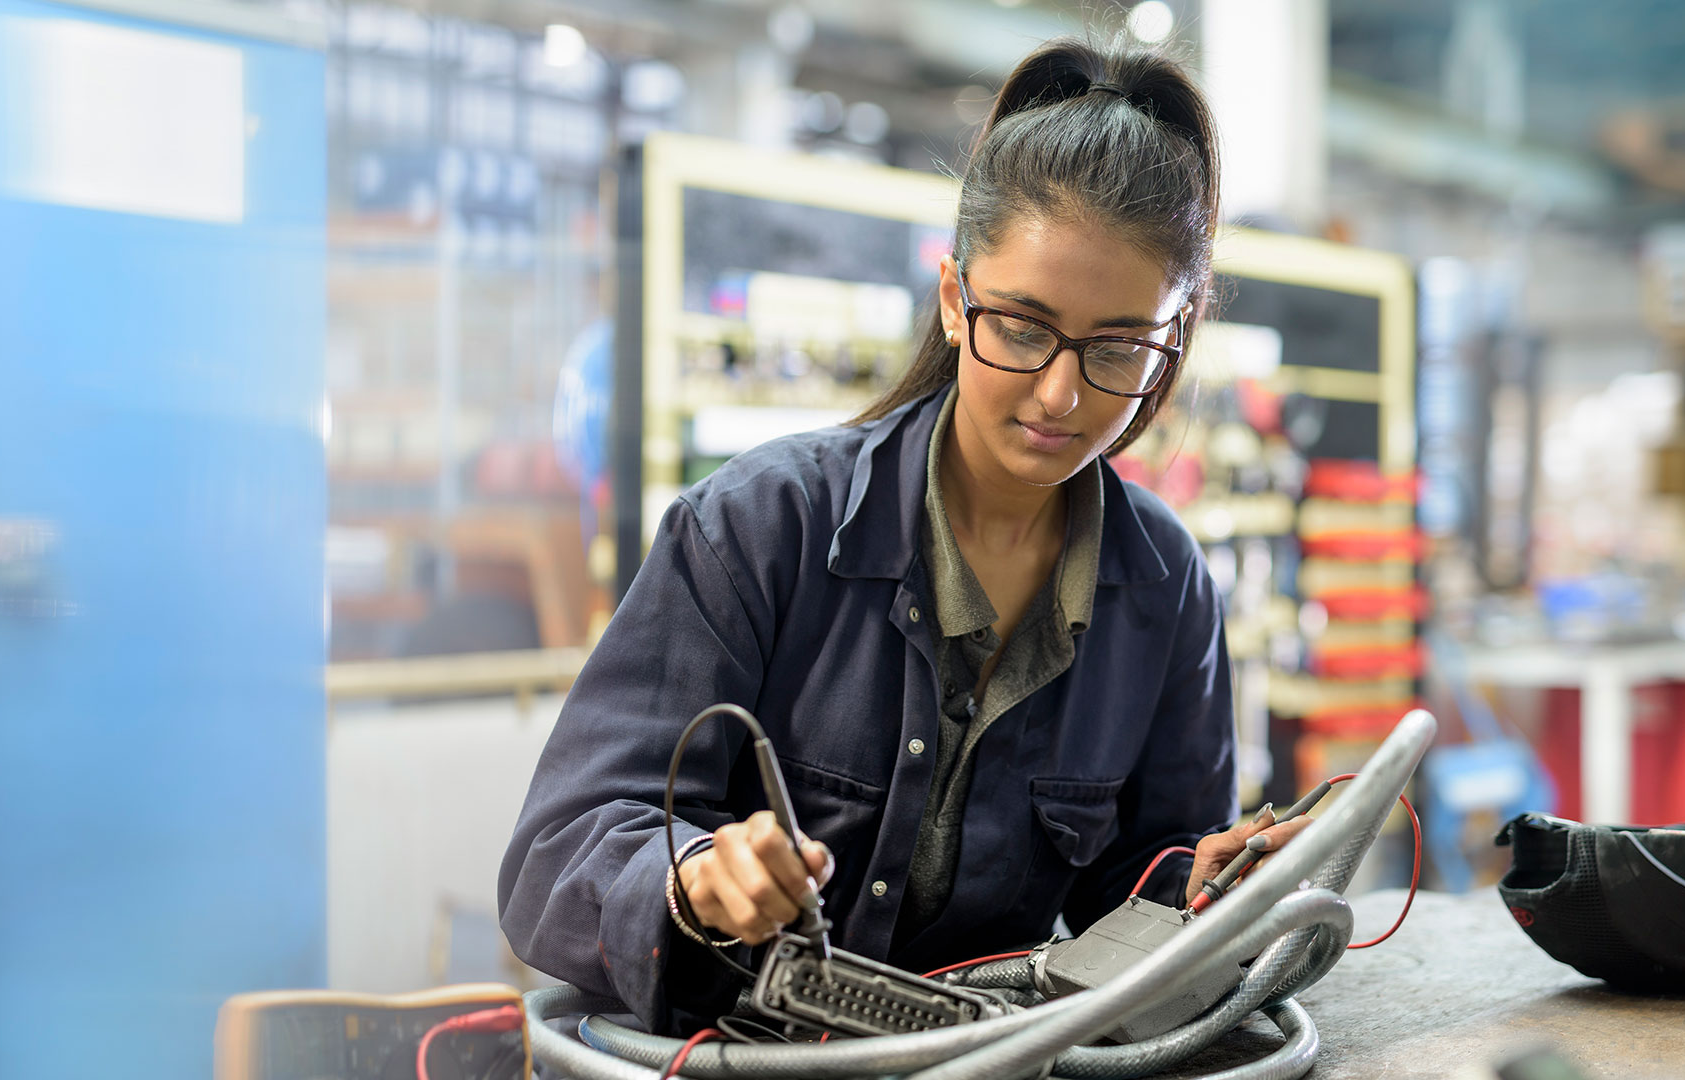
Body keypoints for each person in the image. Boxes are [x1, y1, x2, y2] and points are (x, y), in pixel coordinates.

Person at [497, 36, 1309, 1035]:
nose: (1061, 394)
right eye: (1023, 327)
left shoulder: (1165, 588)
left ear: (1171, 344)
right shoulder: (763, 527)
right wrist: (694, 877)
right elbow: (558, 850)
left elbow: (1132, 894)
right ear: (955, 297)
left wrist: (1199, 890)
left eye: (1118, 349)